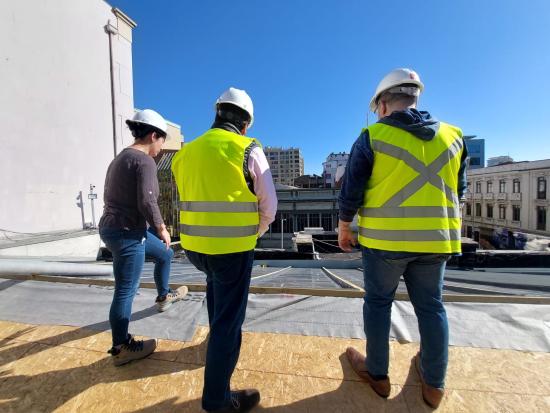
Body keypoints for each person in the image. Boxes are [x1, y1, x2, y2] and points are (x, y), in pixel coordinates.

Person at [338, 68, 468, 408]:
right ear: (415, 96)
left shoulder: (372, 136)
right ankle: (434, 384)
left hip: (385, 243)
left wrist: (344, 227)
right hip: (436, 242)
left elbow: (352, 189)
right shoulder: (455, 137)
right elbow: (460, 190)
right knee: (431, 308)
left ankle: (378, 375)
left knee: (379, 304)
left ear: (382, 103)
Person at [171, 87, 277, 412]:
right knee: (229, 325)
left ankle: (215, 339)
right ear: (246, 124)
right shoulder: (248, 149)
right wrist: (253, 234)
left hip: (195, 250)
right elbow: (269, 206)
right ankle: (217, 400)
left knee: (217, 296)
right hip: (233, 250)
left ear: (217, 113)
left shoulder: (184, 153)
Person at [99, 109, 188, 367]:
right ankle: (122, 346)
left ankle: (163, 297)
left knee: (165, 254)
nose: (161, 148)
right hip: (127, 233)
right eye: (162, 141)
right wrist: (161, 228)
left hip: (119, 228)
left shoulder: (120, 158)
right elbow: (147, 200)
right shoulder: (144, 161)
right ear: (153, 135)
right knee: (125, 290)